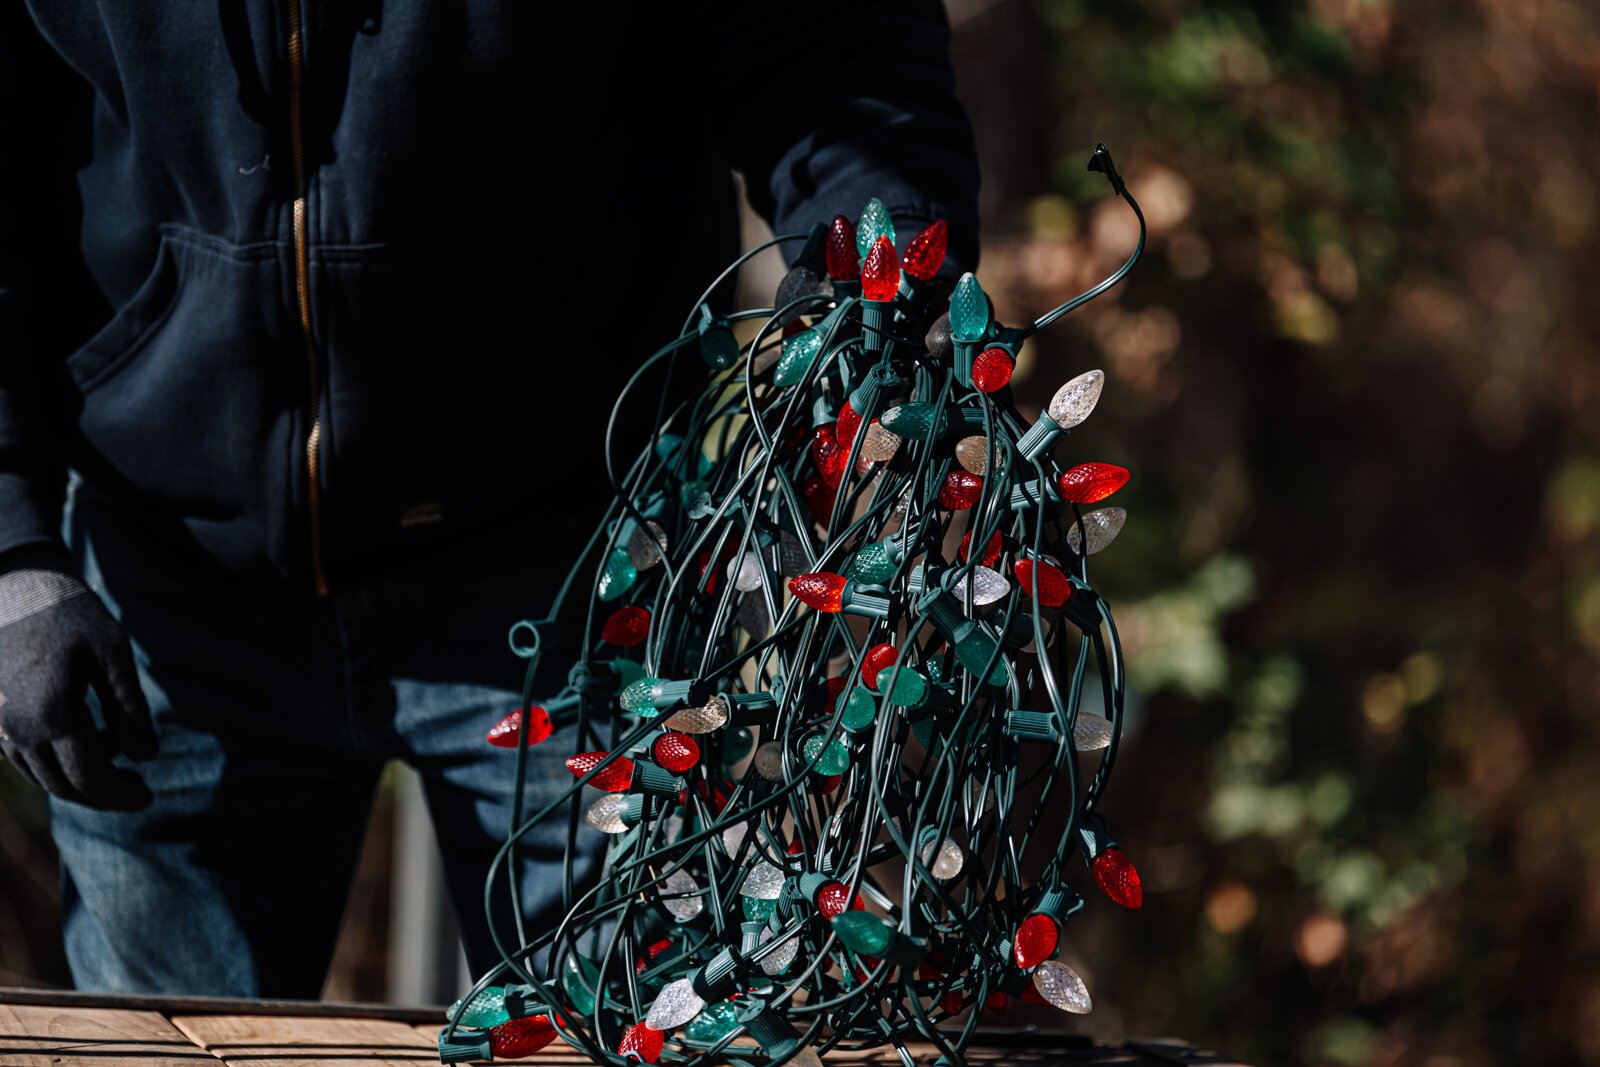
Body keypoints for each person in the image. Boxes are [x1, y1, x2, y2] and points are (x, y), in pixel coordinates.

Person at [0, 1, 980, 997]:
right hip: (168, 586)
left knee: (644, 1017)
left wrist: (882, 263)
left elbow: (832, 45)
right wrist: (8, 551)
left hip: (577, 560)